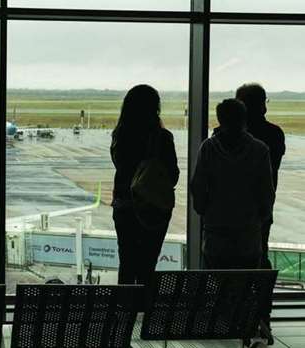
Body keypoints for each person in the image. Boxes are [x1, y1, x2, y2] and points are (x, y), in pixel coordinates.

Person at [191, 99, 275, 269]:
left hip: (216, 234)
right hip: (248, 234)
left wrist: (205, 211)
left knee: (215, 285)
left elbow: (198, 186)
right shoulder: (259, 150)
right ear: (244, 119)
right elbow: (267, 192)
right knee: (245, 286)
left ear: (220, 120)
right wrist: (261, 217)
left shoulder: (208, 148)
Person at [111, 84, 179, 285]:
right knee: (148, 266)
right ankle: (147, 312)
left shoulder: (120, 136)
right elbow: (172, 176)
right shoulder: (162, 138)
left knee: (127, 263)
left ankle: (125, 314)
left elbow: (120, 166)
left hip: (124, 205)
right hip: (153, 208)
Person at [235, 83, 285, 270]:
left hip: (230, 208)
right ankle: (261, 296)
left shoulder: (223, 137)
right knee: (259, 253)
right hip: (262, 207)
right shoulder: (274, 133)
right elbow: (273, 169)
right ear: (262, 105)